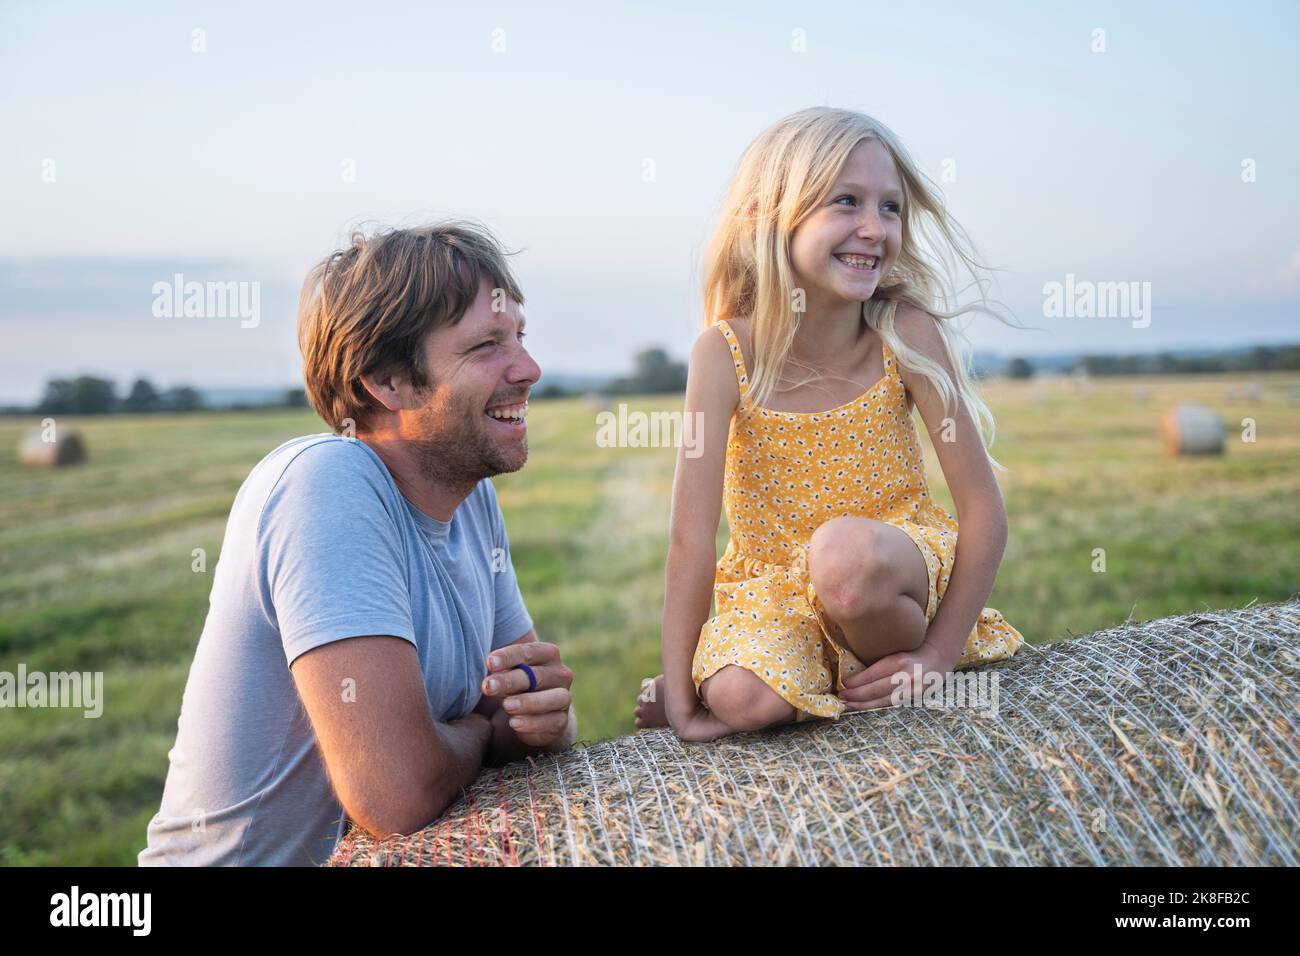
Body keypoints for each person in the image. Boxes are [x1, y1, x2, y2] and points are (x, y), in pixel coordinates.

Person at [140, 222, 575, 865]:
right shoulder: (325, 483)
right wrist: (484, 734)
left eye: (520, 338)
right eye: (486, 346)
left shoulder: (473, 502)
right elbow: (395, 796)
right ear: (389, 382)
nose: (529, 369)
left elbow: (524, 708)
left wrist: (535, 714)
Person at [635, 107, 1025, 741]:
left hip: (888, 573)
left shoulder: (905, 333)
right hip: (778, 594)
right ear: (770, 218)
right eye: (847, 202)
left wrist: (939, 656)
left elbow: (985, 511)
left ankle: (849, 661)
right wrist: (679, 695)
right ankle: (783, 674)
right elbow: (690, 541)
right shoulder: (724, 355)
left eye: (891, 207)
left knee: (843, 558)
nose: (875, 228)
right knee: (738, 700)